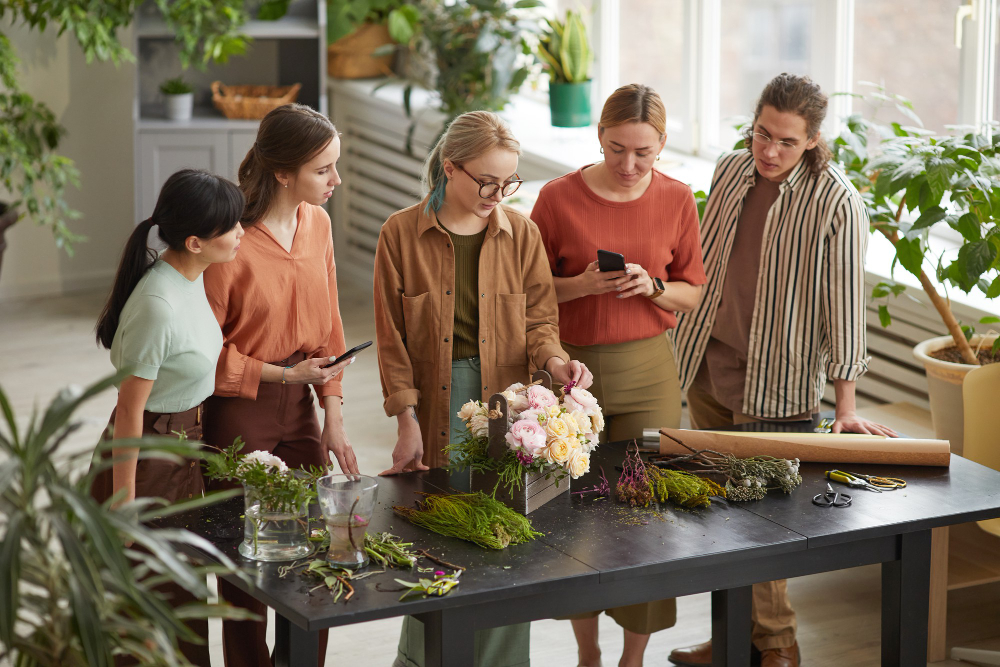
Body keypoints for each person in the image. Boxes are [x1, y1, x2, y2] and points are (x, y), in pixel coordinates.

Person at [668, 73, 898, 667]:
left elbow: (844, 304)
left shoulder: (838, 202)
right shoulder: (730, 168)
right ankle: (732, 640)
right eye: (761, 134)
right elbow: (705, 261)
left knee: (763, 518)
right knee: (722, 511)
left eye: (786, 142)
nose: (768, 152)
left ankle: (778, 645)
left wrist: (845, 406)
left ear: (815, 139)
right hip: (707, 360)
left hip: (780, 379)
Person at [374, 110, 593, 667]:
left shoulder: (522, 234)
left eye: (509, 183)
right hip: (438, 402)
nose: (498, 194)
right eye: (487, 182)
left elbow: (541, 323)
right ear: (451, 168)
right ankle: (422, 659)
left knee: (506, 533)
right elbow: (392, 342)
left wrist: (559, 362)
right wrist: (405, 424)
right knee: (440, 537)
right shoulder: (400, 233)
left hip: (510, 406)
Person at [530, 83, 707, 667]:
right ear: (598, 138)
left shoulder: (679, 199)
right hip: (569, 368)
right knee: (571, 511)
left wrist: (653, 287)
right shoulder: (556, 199)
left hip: (649, 370)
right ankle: (588, 653)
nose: (629, 165)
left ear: (661, 146)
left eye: (643, 153)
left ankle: (633, 658)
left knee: (645, 515)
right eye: (615, 150)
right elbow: (526, 291)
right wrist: (581, 284)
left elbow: (692, 292)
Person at [202, 103, 356, 667]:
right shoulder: (229, 242)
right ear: (283, 173)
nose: (336, 181)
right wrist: (282, 375)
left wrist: (332, 414)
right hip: (241, 407)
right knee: (246, 559)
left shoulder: (319, 224)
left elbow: (331, 329)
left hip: (304, 402)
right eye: (324, 170)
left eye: (336, 166)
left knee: (320, 548)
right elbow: (202, 355)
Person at [92, 168, 246, 666]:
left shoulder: (190, 275)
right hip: (150, 457)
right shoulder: (158, 303)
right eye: (233, 226)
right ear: (196, 241)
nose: (242, 232)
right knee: (154, 596)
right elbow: (129, 412)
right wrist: (123, 507)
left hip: (183, 445)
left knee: (183, 592)